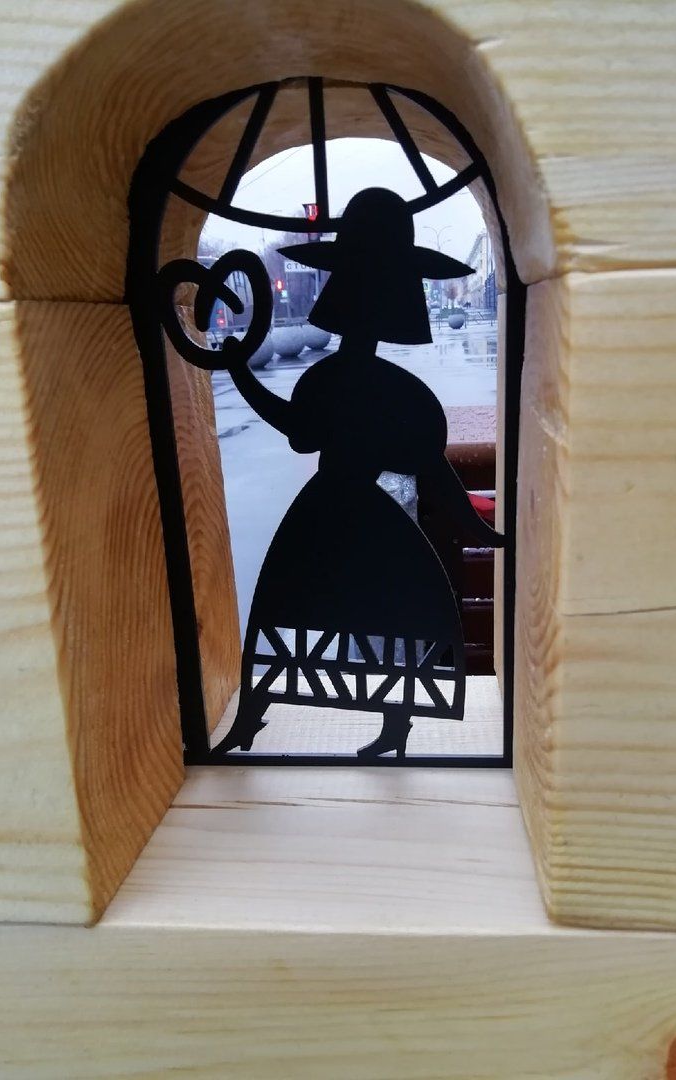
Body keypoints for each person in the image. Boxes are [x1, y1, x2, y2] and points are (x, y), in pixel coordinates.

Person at [217, 187, 504, 760]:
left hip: (325, 512)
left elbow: (301, 433)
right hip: (372, 520)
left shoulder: (331, 381)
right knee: (383, 615)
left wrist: (242, 375)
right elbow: (428, 468)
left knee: (296, 610)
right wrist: (484, 532)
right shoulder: (404, 394)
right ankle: (378, 725)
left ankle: (259, 720)